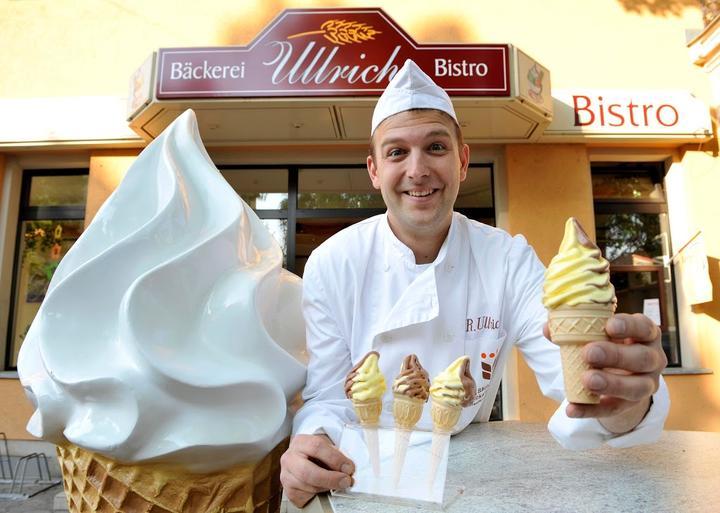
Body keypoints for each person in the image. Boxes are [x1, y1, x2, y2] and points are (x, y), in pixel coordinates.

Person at [279, 60, 669, 507]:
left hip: (469, 476)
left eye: (436, 147)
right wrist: (310, 443)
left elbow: (574, 371)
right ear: (373, 171)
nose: (418, 169)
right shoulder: (334, 261)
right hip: (365, 470)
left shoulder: (506, 258)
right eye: (397, 152)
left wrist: (625, 403)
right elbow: (327, 395)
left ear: (463, 160)